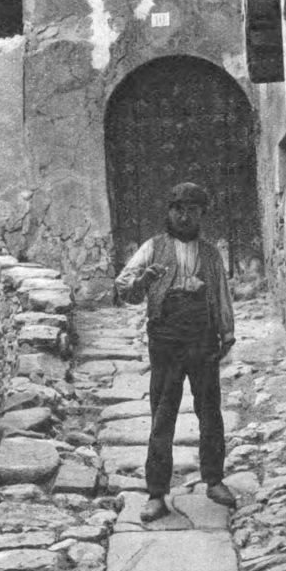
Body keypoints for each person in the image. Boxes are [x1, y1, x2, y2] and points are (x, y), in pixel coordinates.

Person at [114, 181, 237, 523]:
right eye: (179, 210)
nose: (185, 217)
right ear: (169, 212)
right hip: (166, 340)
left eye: (192, 211)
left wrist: (227, 332)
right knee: (162, 413)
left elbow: (222, 294)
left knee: (209, 411)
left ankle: (214, 480)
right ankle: (156, 493)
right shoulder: (153, 248)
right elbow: (123, 287)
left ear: (201, 215)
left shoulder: (210, 254)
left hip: (202, 338)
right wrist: (143, 280)